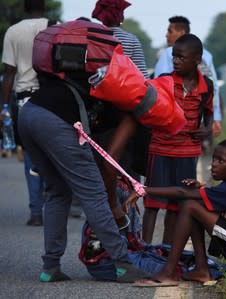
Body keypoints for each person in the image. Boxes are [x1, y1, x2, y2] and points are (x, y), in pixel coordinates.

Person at [17, 47, 148, 284]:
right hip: (55, 123)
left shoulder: (86, 78)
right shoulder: (125, 110)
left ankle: (51, 267)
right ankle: (123, 264)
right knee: (94, 194)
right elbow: (109, 162)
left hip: (28, 114)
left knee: (57, 191)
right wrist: (113, 205)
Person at [124, 138, 226, 285]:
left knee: (189, 206)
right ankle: (202, 270)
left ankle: (169, 272)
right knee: (194, 205)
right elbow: (209, 195)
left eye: (221, 161)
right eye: (214, 159)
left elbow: (182, 192)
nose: (213, 164)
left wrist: (145, 190)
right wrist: (199, 189)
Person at [142, 34, 213, 245]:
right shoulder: (163, 81)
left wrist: (206, 129)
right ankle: (145, 248)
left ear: (197, 60)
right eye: (174, 57)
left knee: (177, 204)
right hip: (160, 148)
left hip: (187, 151)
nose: (176, 61)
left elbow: (208, 112)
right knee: (152, 203)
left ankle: (166, 248)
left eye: (181, 58)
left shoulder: (206, 86)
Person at [91, 0, 149, 232]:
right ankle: (128, 232)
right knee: (126, 173)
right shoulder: (131, 40)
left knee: (100, 174)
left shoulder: (92, 38)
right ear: (121, 18)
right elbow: (143, 80)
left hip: (97, 117)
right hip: (126, 115)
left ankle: (100, 232)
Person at [1, 0, 49, 226]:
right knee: (52, 154)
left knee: (31, 156)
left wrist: (3, 108)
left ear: (24, 8)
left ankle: (36, 212)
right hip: (52, 100)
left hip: (25, 102)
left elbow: (9, 72)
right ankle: (54, 203)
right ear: (44, 7)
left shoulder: (13, 31)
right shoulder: (54, 27)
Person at [153, 16, 222, 137]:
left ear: (182, 33)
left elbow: (158, 87)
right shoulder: (206, 55)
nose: (166, 35)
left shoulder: (168, 53)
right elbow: (214, 86)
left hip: (172, 120)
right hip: (198, 120)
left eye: (170, 31)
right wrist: (215, 118)